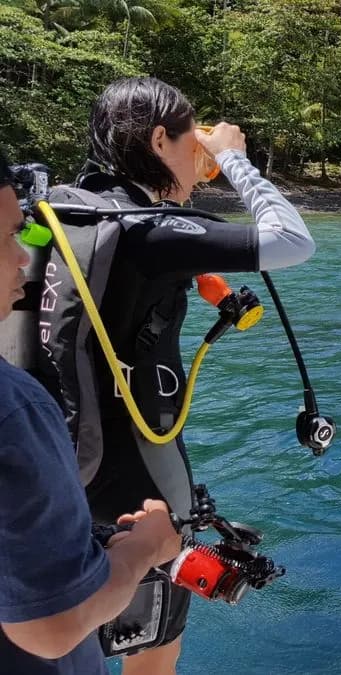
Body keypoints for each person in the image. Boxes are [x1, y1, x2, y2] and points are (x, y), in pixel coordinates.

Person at [29, 77, 316, 674]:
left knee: (65, 633)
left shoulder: (69, 213)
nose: (199, 160)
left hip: (56, 463)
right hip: (137, 485)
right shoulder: (151, 228)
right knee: (154, 649)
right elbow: (292, 241)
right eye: (193, 144)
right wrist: (234, 156)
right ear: (160, 140)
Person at [0, 151, 182, 675]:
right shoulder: (15, 412)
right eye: (7, 237)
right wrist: (142, 551)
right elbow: (52, 627)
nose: (20, 259)